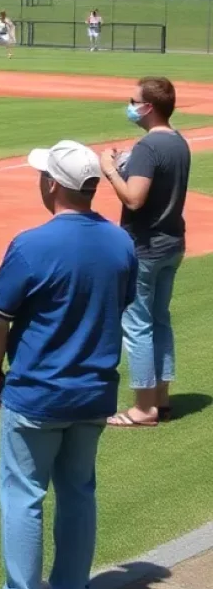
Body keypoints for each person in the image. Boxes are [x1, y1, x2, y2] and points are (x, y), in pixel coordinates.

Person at [0, 141, 137, 589]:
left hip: (38, 393)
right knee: (79, 491)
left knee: (23, 496)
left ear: (53, 185)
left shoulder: (32, 244)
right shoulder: (120, 242)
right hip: (95, 392)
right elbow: (119, 304)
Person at [100, 77, 191, 428]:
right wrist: (128, 163)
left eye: (133, 100)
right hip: (172, 243)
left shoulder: (148, 148)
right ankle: (162, 400)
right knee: (160, 320)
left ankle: (143, 408)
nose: (129, 105)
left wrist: (110, 170)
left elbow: (135, 199)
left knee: (137, 325)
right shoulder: (178, 142)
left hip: (146, 246)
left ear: (148, 107)